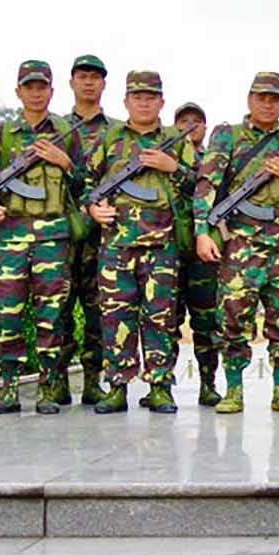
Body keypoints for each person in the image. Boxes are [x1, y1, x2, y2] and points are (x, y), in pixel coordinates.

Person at [0, 60, 83, 415]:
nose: (35, 93)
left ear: (52, 91)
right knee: (8, 315)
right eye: (29, 87)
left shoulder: (67, 132)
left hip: (53, 237)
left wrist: (65, 163)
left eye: (41, 87)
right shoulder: (1, 134)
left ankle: (48, 389)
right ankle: (9, 391)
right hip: (10, 235)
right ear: (18, 92)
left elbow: (87, 185)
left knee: (51, 315)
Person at [193, 73, 279, 413]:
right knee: (232, 317)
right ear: (249, 99)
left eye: (275, 99)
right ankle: (233, 390)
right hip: (241, 242)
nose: (268, 104)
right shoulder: (228, 136)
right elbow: (207, 184)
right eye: (262, 97)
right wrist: (202, 230)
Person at [85, 69, 198, 414]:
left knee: (160, 318)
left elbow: (200, 185)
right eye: (138, 97)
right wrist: (93, 208)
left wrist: (172, 167)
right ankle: (117, 386)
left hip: (162, 245)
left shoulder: (177, 141)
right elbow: (86, 182)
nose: (144, 103)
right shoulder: (109, 138)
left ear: (162, 102)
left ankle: (160, 387)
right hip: (116, 245)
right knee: (115, 316)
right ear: (126, 101)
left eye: (151, 97)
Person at [57, 54, 116, 405]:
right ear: (72, 83)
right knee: (58, 309)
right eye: (83, 76)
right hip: (61, 235)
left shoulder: (117, 132)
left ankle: (94, 379)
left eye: (95, 77)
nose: (89, 82)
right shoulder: (56, 129)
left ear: (104, 84)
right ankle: (58, 381)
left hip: (103, 236)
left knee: (99, 311)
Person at [172, 102, 222, 406]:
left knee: (206, 322)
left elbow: (207, 189)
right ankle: (160, 385)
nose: (189, 126)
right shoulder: (163, 156)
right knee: (166, 322)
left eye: (196, 121)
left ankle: (208, 383)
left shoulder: (213, 160)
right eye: (183, 121)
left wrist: (175, 169)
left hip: (203, 256)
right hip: (168, 252)